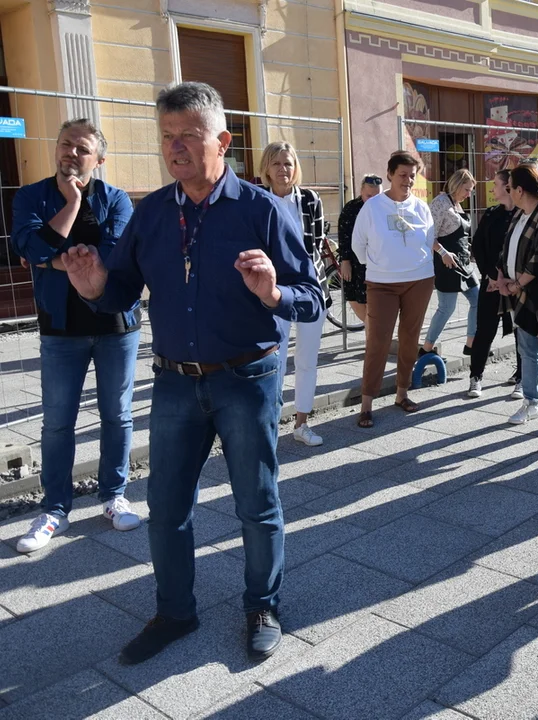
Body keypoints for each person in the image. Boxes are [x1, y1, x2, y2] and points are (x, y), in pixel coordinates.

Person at [61, 82, 322, 663]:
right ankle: (175, 612)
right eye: (167, 138)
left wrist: (276, 293)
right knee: (168, 506)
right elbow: (121, 289)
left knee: (256, 504)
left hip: (246, 378)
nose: (175, 148)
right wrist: (97, 287)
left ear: (223, 141)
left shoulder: (262, 209)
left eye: (189, 136)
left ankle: (263, 604)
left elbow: (313, 297)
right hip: (176, 381)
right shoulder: (151, 212)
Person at [11, 119, 142, 553]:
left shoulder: (117, 198)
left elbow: (119, 252)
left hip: (114, 325)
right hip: (61, 328)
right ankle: (55, 509)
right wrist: (70, 201)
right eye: (65, 144)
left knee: (116, 415)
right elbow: (29, 248)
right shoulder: (32, 195)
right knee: (57, 422)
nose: (70, 153)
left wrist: (58, 259)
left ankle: (113, 496)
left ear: (99, 160)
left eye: (82, 149)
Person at [352, 150, 436, 428]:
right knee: (377, 341)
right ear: (389, 174)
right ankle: (366, 403)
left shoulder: (421, 207)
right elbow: (358, 245)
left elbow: (429, 240)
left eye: (412, 176)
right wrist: (379, 266)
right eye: (402, 175)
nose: (408, 181)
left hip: (419, 280)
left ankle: (402, 393)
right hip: (382, 284)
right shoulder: (372, 207)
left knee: (410, 338)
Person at [260, 141, 330, 447]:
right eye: (276, 163)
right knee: (274, 362)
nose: (282, 170)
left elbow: (315, 244)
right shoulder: (259, 200)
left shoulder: (310, 200)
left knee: (307, 360)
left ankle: (302, 423)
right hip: (273, 292)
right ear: (266, 168)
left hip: (309, 289)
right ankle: (269, 427)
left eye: (288, 163)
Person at [493, 163, 538, 424]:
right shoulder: (520, 214)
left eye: (509, 186)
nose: (507, 190)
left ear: (520, 190)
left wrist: (517, 283)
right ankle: (531, 403)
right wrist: (500, 276)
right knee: (527, 349)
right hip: (519, 294)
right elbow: (507, 248)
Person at [469, 169, 522, 399]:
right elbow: (477, 247)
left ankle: (522, 378)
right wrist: (492, 276)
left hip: (517, 284)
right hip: (491, 283)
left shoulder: (524, 215)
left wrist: (512, 281)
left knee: (523, 331)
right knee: (484, 331)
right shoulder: (491, 215)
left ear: (508, 187)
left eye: (496, 184)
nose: (492, 189)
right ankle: (476, 377)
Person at [421, 169, 480, 373]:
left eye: (471, 190)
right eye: (467, 189)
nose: (469, 194)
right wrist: (444, 253)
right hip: (446, 263)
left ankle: (471, 344)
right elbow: (428, 236)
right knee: (447, 308)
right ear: (456, 185)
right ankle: (427, 348)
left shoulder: (456, 204)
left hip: (463, 264)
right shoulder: (440, 203)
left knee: (477, 299)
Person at [336, 174, 383, 325]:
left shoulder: (385, 207)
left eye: (377, 196)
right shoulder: (351, 208)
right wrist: (345, 260)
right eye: (369, 195)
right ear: (361, 190)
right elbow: (344, 236)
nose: (372, 200)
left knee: (374, 306)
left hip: (377, 262)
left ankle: (376, 337)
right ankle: (375, 333)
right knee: (354, 299)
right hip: (355, 262)